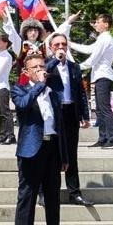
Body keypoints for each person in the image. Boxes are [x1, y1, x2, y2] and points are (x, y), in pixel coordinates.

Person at [11, 52, 74, 225]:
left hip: (52, 148)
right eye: (35, 67)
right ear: (26, 72)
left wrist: (64, 156)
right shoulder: (19, 89)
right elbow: (23, 106)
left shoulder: (53, 92)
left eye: (42, 66)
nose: (40, 70)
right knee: (26, 198)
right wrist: (38, 85)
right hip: (31, 150)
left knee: (53, 199)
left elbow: (61, 126)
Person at [46, 32, 93, 207]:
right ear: (51, 48)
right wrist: (55, 60)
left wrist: (85, 115)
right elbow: (44, 74)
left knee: (71, 155)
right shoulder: (47, 64)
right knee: (52, 154)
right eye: (57, 45)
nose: (60, 48)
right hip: (53, 114)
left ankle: (75, 192)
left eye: (63, 44)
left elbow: (80, 92)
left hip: (70, 113)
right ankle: (47, 193)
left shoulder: (74, 67)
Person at [64, 12, 113, 149]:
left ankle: (111, 138)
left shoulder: (106, 39)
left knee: (104, 108)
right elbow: (89, 49)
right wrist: (70, 44)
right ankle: (103, 137)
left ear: (106, 24)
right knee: (99, 109)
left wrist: (77, 67)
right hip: (98, 76)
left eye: (99, 21)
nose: (96, 24)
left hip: (103, 76)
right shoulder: (101, 39)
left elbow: (94, 58)